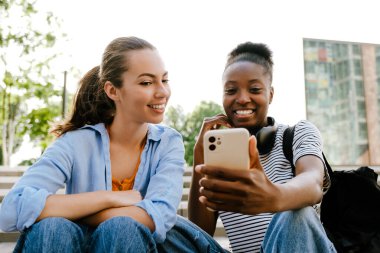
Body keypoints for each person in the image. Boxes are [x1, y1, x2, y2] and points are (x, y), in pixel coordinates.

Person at [0, 36, 190, 253]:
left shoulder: (168, 142)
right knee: (52, 228)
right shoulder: (76, 142)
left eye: (164, 80)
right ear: (112, 91)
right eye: (146, 82)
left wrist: (73, 209)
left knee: (122, 228)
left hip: (132, 244)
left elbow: (159, 217)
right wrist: (110, 198)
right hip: (70, 245)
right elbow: (12, 208)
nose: (162, 92)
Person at [188, 42, 337, 252]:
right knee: (172, 229)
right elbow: (198, 235)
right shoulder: (218, 155)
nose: (242, 99)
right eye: (231, 90)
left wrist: (272, 196)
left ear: (271, 94)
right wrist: (200, 158)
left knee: (296, 213)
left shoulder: (298, 134)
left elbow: (313, 184)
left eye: (255, 89)